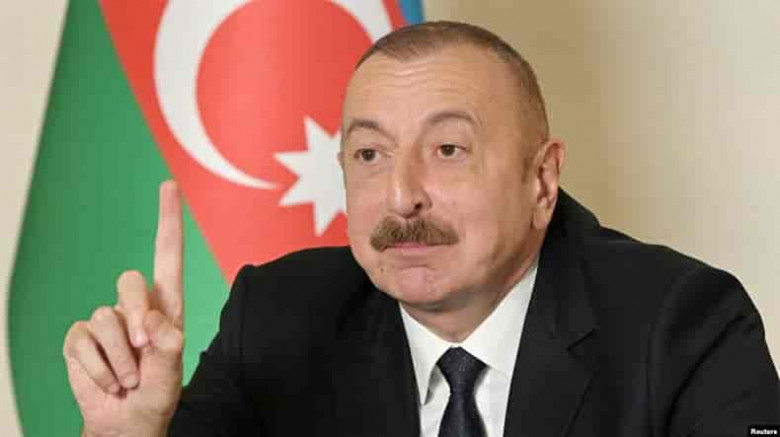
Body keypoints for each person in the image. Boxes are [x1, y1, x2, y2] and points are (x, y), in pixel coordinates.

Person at [63, 21, 779, 437]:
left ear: (542, 180)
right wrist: (129, 435)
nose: (401, 197)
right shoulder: (279, 320)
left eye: (448, 149)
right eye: (370, 155)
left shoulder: (683, 324)